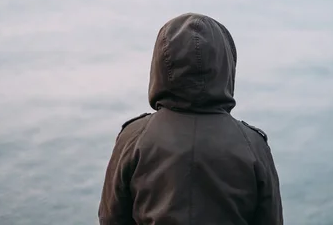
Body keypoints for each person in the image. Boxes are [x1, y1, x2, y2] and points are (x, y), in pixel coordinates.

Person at [98, 13, 283, 225]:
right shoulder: (253, 145)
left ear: (160, 65)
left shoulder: (134, 138)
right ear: (226, 64)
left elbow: (110, 219)